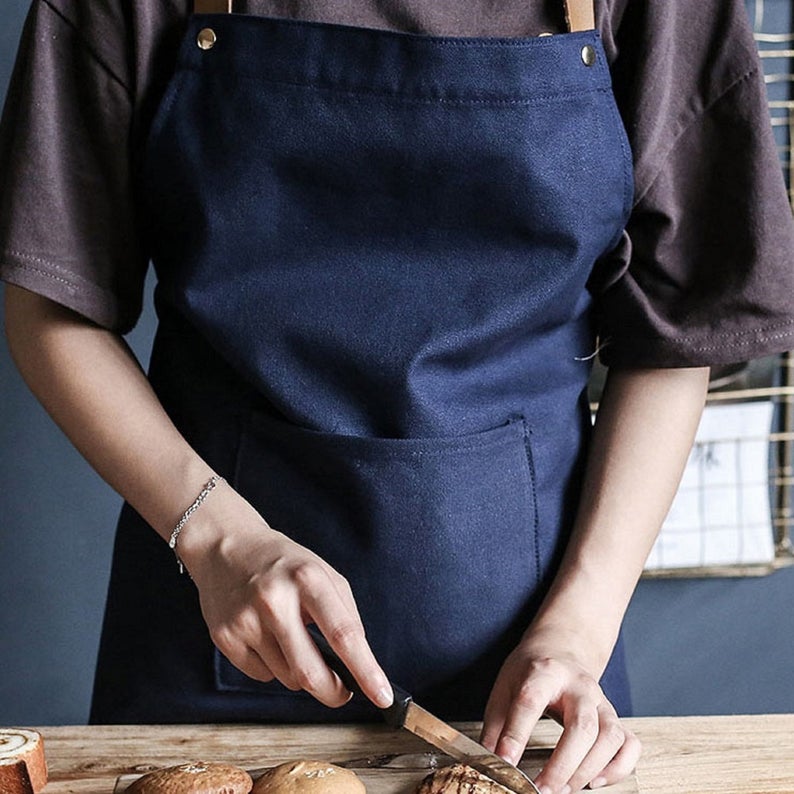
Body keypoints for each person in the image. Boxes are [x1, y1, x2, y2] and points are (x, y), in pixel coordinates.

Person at [2, 0, 793, 792]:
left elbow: (679, 327)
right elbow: (50, 303)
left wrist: (579, 630)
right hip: (206, 619)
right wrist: (217, 542)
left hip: (538, 669)